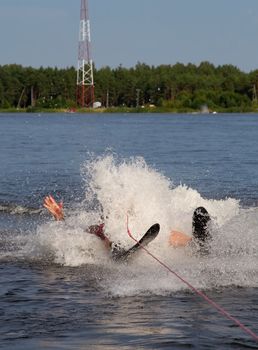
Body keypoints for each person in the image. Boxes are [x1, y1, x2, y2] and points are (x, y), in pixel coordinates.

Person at [44, 195, 211, 253]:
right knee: (110, 240)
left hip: (143, 237)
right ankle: (120, 251)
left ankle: (197, 244)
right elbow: (72, 233)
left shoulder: (140, 220)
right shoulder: (99, 229)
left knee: (167, 234)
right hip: (117, 250)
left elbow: (164, 233)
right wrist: (60, 216)